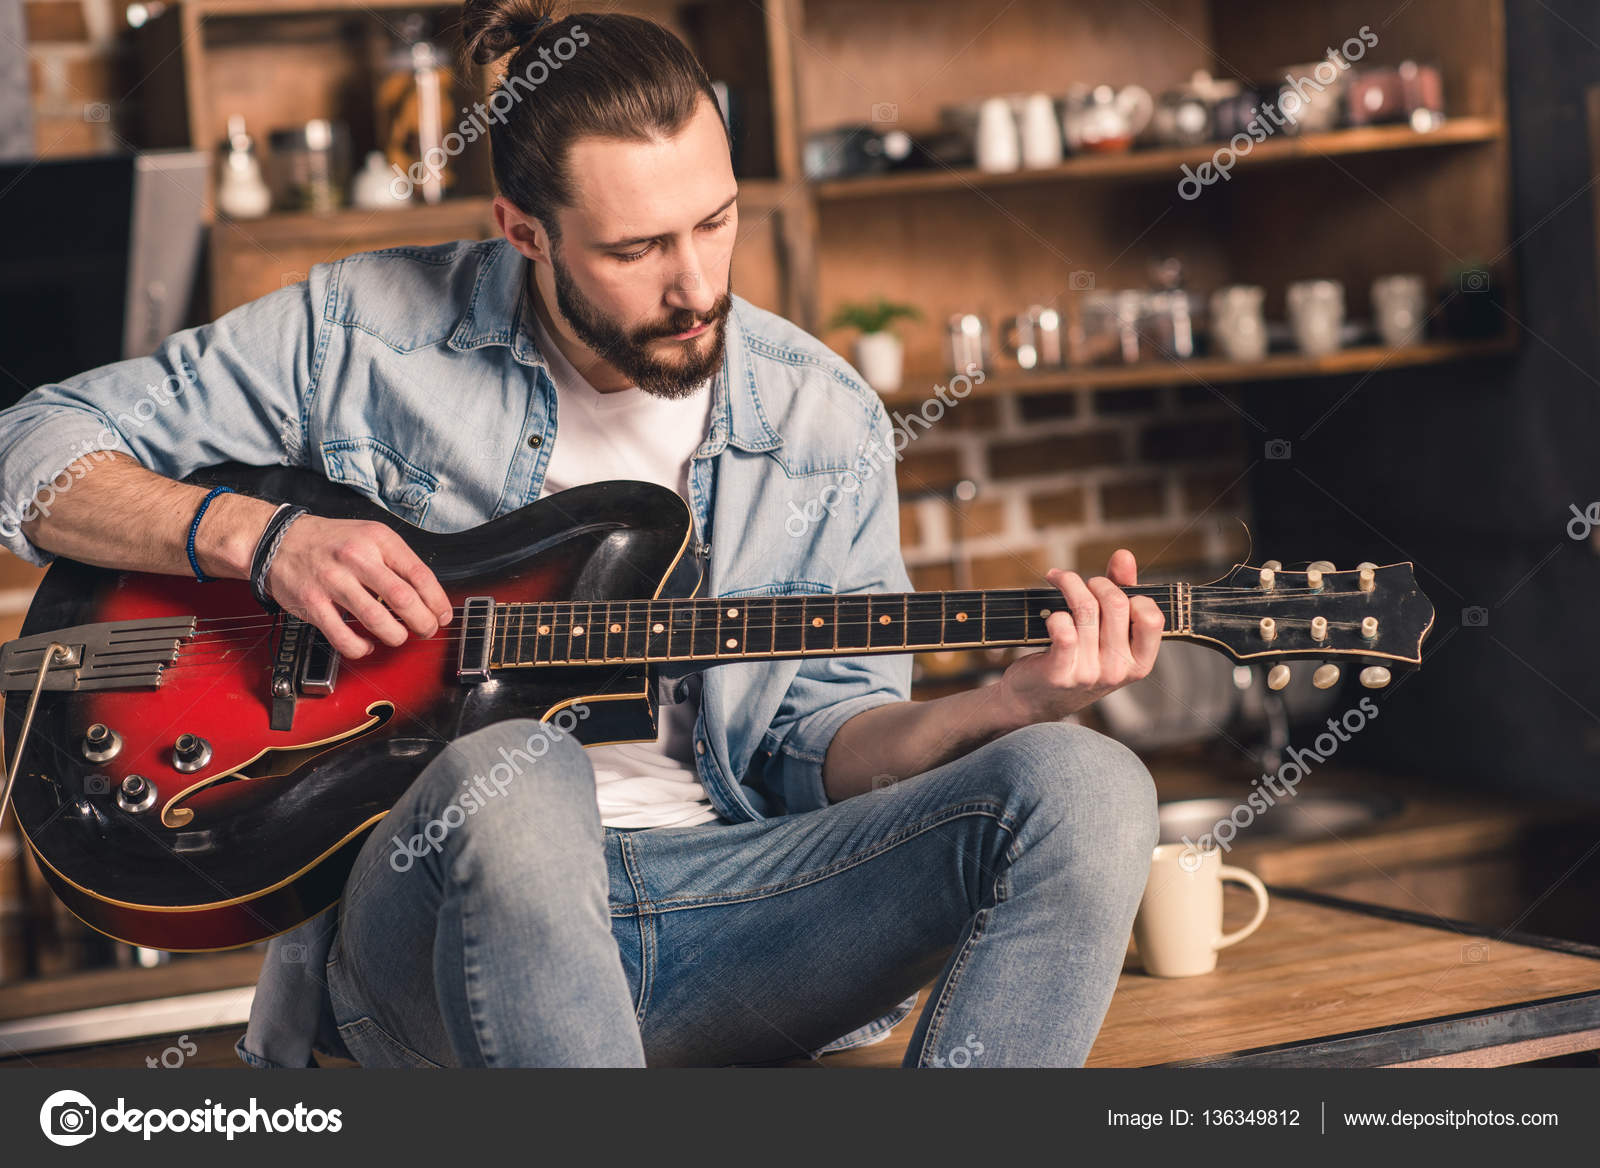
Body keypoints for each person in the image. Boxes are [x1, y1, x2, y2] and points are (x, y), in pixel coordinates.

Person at [0, 0, 1164, 1067]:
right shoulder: (357, 333)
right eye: (634, 249)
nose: (697, 284)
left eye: (716, 222)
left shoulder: (818, 416)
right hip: (432, 938)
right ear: (523, 230)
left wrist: (1001, 706)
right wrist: (263, 540)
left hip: (736, 920)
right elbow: (33, 443)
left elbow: (820, 744)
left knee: (1087, 780)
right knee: (520, 766)